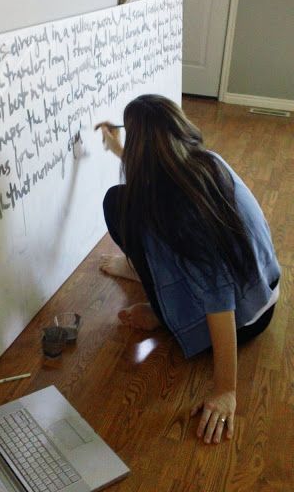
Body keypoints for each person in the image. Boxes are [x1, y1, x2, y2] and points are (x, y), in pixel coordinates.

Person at [95, 94, 280, 446]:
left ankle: (163, 312)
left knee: (119, 202)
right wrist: (119, 150)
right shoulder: (209, 162)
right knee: (133, 198)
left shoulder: (182, 214)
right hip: (266, 293)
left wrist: (225, 389)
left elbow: (219, 295)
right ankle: (161, 305)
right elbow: (156, 175)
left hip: (245, 320)